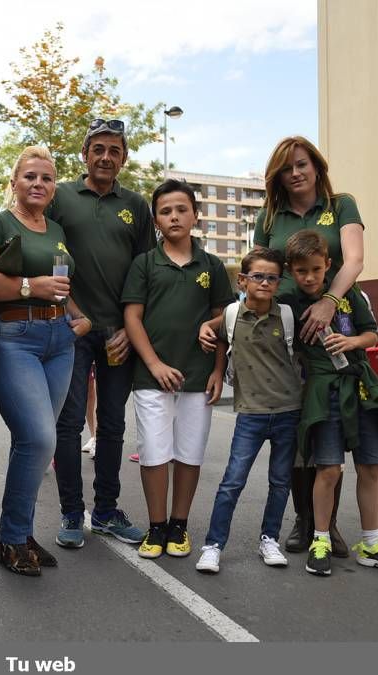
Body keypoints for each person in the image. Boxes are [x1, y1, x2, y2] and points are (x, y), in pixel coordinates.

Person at [0, 146, 91, 575]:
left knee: (40, 443)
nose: (39, 184)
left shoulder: (55, 228)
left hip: (60, 340)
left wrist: (78, 316)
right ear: (14, 182)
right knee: (37, 438)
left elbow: (58, 283)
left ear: (54, 188)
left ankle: (21, 533)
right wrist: (27, 287)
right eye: (30, 177)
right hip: (13, 338)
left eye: (47, 179)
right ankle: (12, 538)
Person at [252, 136, 365, 557]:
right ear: (278, 176)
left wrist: (328, 302)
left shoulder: (342, 205)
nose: (296, 173)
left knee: (329, 427)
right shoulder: (269, 215)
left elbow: (353, 259)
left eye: (302, 164)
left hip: (333, 328)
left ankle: (329, 525)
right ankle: (303, 521)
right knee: (298, 431)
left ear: (316, 166)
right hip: (285, 334)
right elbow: (260, 269)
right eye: (287, 168)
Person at [279, 229, 378, 576]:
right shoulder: (289, 301)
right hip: (322, 392)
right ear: (290, 271)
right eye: (301, 271)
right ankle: (320, 539)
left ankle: (372, 543)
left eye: (315, 269)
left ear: (328, 264)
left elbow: (373, 334)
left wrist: (352, 341)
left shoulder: (348, 293)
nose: (309, 277)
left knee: (370, 467)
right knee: (327, 469)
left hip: (362, 389)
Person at [49, 118, 156, 549]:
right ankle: (73, 513)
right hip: (71, 328)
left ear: (124, 157)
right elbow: (49, 254)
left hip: (119, 335)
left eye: (115, 150)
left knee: (111, 425)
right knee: (69, 423)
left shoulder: (136, 205)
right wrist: (67, 312)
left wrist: (132, 329)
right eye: (99, 149)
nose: (106, 157)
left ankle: (108, 511)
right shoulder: (60, 197)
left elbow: (145, 272)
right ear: (85, 154)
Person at [122, 179, 234, 559]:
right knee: (154, 453)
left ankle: (179, 525)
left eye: (181, 209)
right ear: (156, 219)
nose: (174, 216)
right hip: (152, 378)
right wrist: (154, 363)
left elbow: (224, 320)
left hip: (199, 378)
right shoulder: (144, 264)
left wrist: (219, 370)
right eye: (166, 210)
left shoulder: (213, 266)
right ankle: (156, 528)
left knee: (189, 454)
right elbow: (132, 317)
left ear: (195, 215)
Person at [195, 248, 301, 573]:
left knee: (280, 482)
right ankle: (213, 545)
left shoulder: (286, 315)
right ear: (242, 280)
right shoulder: (231, 314)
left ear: (278, 283)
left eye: (272, 278)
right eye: (258, 276)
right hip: (250, 415)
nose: (265, 282)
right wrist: (203, 329)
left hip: (288, 412)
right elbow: (211, 329)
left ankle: (270, 539)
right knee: (232, 482)